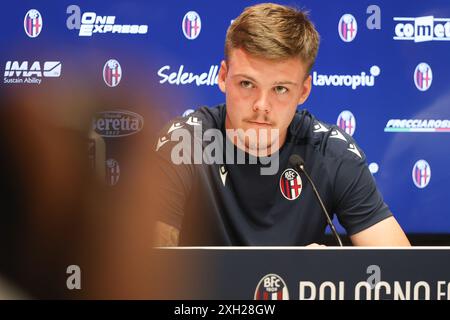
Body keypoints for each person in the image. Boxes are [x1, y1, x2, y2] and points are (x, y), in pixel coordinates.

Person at [153, 3, 410, 246]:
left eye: (280, 89)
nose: (261, 105)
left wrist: (334, 272)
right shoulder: (184, 145)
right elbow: (147, 264)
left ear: (304, 91)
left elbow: (404, 276)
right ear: (222, 77)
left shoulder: (331, 153)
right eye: (247, 84)